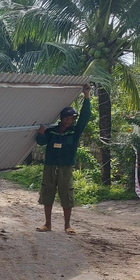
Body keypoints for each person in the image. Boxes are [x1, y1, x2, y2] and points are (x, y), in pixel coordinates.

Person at [35, 84, 92, 235]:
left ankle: (67, 225)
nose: (69, 120)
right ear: (62, 118)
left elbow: (85, 116)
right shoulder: (52, 130)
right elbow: (41, 142)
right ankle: (47, 224)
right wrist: (41, 134)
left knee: (66, 194)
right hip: (50, 167)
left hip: (66, 168)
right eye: (67, 117)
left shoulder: (75, 131)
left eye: (72, 118)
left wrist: (86, 97)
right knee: (47, 193)